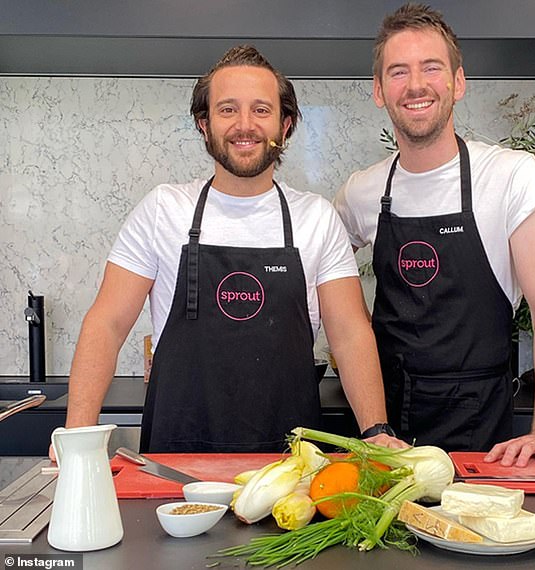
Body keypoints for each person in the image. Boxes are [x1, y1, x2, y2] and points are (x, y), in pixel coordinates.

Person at [60, 45, 403, 454]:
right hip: (177, 464)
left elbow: (349, 333)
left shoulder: (316, 217)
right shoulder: (164, 209)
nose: (245, 125)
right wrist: (76, 435)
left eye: (261, 110)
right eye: (227, 110)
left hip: (289, 468)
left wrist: (376, 430)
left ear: (286, 124)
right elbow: (107, 323)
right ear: (203, 124)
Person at [333, 3, 535, 467]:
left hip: (479, 428)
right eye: (398, 72)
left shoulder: (511, 178)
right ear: (379, 91)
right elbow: (324, 284)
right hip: (383, 431)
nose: (416, 85)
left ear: (458, 82)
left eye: (431, 68)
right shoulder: (361, 192)